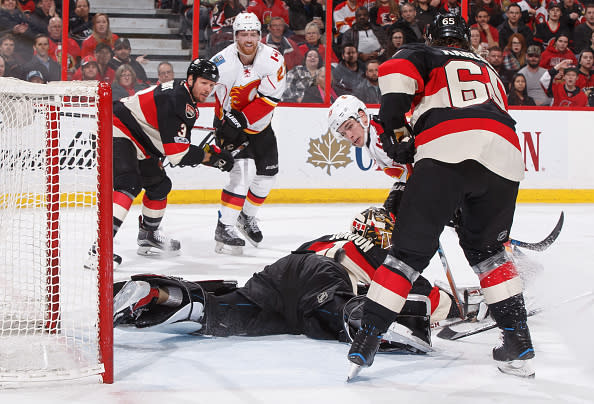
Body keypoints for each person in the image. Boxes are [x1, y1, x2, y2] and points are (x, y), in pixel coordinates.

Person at [348, 13, 535, 379]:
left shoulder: (427, 54)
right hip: (506, 157)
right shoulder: (490, 69)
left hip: (445, 151)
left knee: (406, 256)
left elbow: (393, 67)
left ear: (433, 37)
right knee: (489, 253)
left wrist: (396, 127)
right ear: (466, 41)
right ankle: (518, 341)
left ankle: (367, 338)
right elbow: (481, 120)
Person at [113, 207, 476, 352]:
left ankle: (159, 294)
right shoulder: (369, 248)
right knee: (345, 311)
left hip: (282, 276)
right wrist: (452, 305)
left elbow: (298, 264)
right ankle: (367, 323)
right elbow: (418, 289)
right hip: (323, 279)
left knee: (224, 312)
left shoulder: (329, 238)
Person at [88, 59, 234, 268]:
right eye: (204, 83)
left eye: (212, 85)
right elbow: (177, 154)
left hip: (141, 139)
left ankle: (149, 233)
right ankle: (99, 250)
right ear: (191, 79)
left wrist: (208, 156)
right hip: (118, 127)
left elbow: (172, 143)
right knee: (128, 183)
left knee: (159, 185)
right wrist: (211, 159)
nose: (208, 89)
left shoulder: (183, 97)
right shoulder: (179, 101)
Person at [209, 12, 286, 254]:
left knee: (268, 176)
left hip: (260, 126)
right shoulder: (221, 62)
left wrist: (240, 118)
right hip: (229, 128)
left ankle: (246, 217)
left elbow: (269, 99)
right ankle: (224, 226)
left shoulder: (273, 59)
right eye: (243, 34)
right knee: (241, 177)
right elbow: (201, 89)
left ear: (260, 36)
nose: (249, 39)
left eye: (253, 34)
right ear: (235, 36)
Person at [327, 94, 411, 217]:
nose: (349, 136)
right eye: (343, 133)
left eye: (349, 126)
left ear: (362, 116)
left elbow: (416, 149)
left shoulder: (388, 127)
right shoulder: (369, 137)